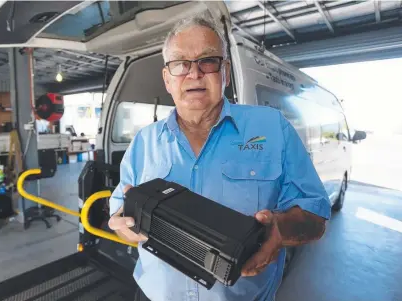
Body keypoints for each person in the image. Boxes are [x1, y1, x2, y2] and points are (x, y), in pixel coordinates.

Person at [108, 11, 331, 301]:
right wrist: (124, 226)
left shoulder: (272, 128)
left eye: (208, 61)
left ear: (224, 72)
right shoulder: (143, 142)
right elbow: (118, 214)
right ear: (167, 78)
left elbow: (315, 216)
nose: (194, 73)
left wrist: (279, 228)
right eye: (180, 64)